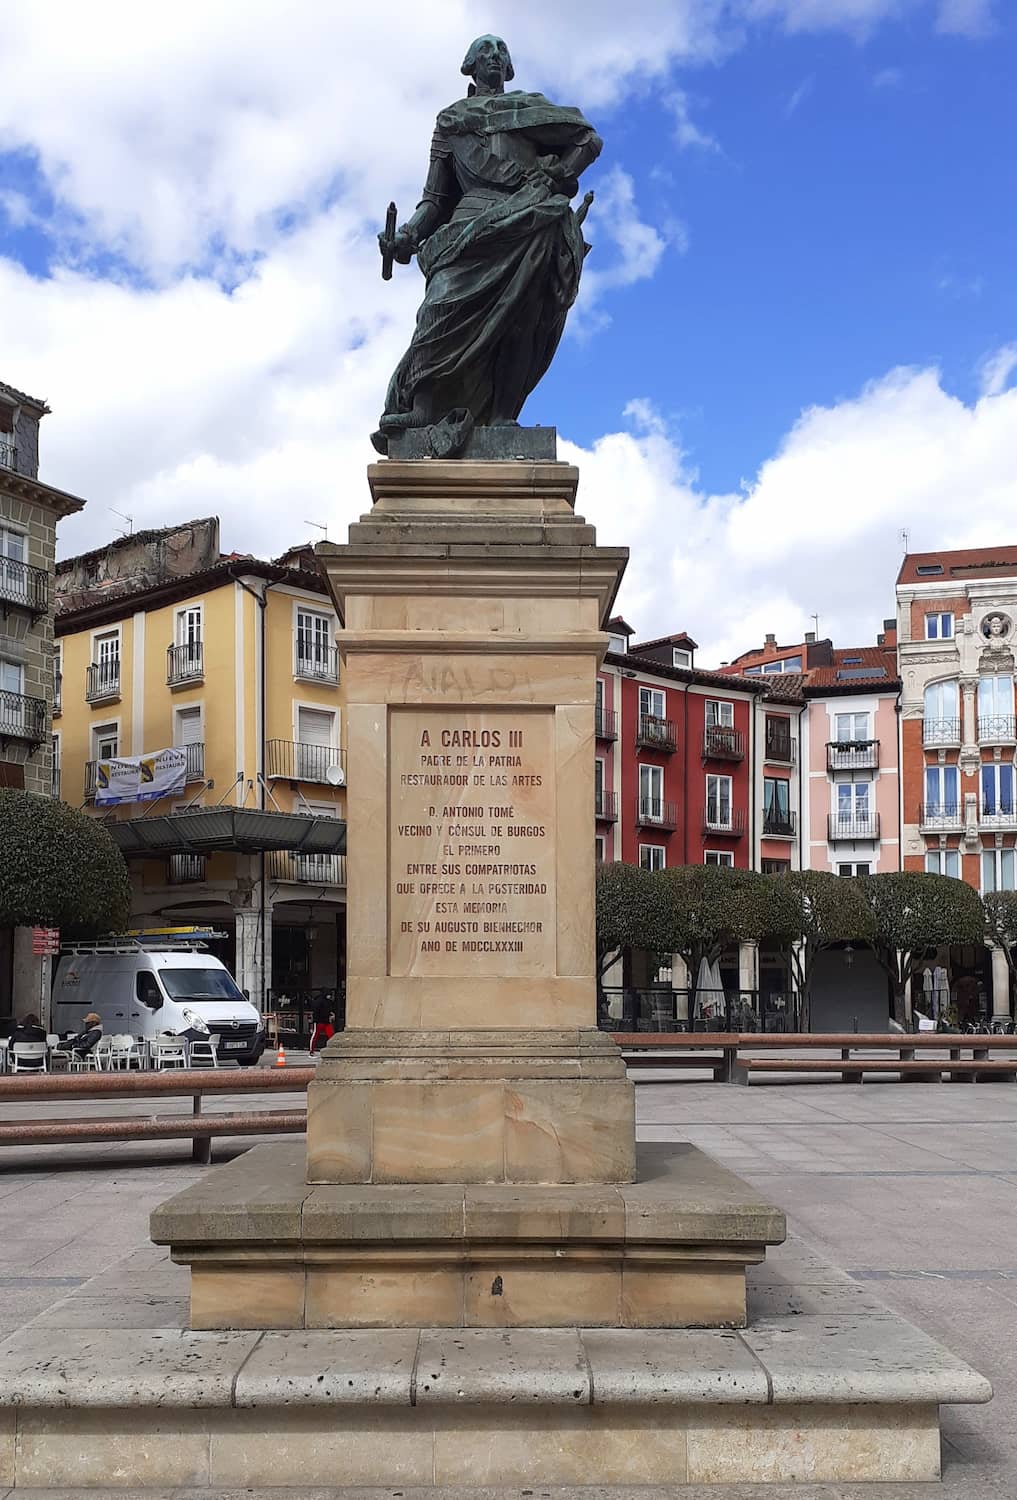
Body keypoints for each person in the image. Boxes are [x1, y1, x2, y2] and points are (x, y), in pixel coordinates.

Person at [374, 34, 602, 454]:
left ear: (509, 66)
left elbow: (588, 139)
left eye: (501, 51)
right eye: (486, 51)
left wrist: (553, 178)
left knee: (520, 319)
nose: (494, 57)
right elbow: (435, 200)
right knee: (437, 313)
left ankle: (503, 418)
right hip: (467, 230)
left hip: (526, 219)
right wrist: (406, 237)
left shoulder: (528, 110)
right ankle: (423, 408)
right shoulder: (451, 121)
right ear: (470, 65)